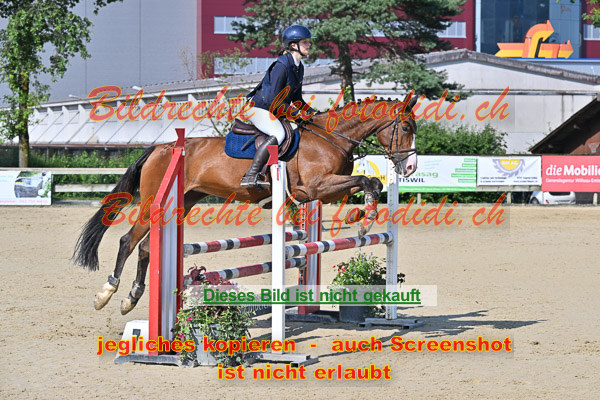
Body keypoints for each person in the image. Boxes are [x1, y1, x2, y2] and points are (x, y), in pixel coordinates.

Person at [241, 24, 317, 189]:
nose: (309, 45)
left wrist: (314, 114)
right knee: (279, 133)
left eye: (308, 42)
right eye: (305, 42)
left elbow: (296, 99)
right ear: (293, 45)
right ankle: (251, 174)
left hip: (274, 110)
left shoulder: (299, 67)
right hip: (259, 108)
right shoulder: (281, 66)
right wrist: (296, 114)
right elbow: (273, 100)